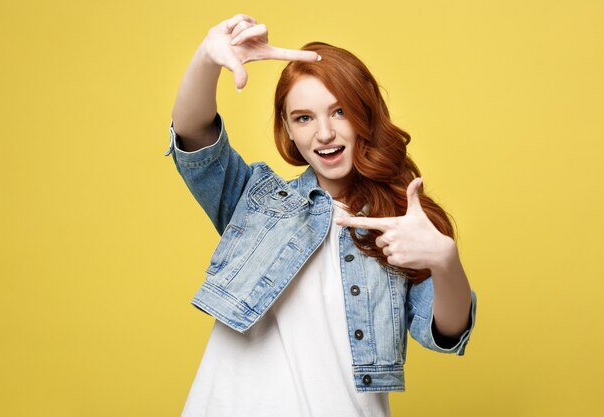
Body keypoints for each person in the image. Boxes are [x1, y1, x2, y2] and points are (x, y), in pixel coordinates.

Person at [165, 13, 477, 417]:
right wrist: (207, 57)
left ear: (365, 115)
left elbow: (447, 333)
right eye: (304, 118)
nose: (324, 133)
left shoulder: (400, 226)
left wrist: (444, 260)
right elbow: (194, 140)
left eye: (340, 112)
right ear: (288, 129)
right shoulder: (256, 202)